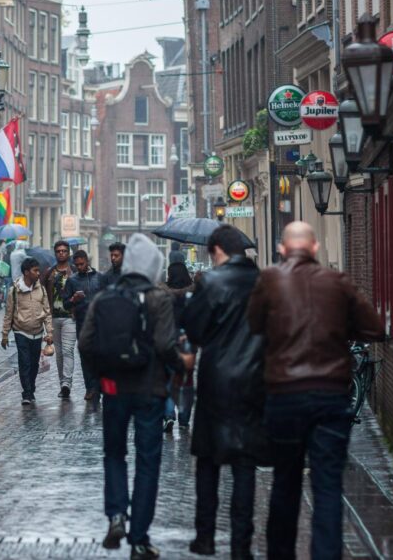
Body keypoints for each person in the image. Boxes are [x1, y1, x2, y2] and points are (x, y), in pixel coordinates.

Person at [247, 221, 384, 559]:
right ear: (315, 249)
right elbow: (374, 328)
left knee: (285, 482)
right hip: (329, 395)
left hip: (284, 396)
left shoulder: (269, 280)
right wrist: (339, 328)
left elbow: (253, 325)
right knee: (327, 486)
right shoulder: (337, 282)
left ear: (281, 249)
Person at [79, 234, 195, 560]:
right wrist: (181, 364)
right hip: (150, 389)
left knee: (114, 454)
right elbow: (164, 346)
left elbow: (85, 344)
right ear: (154, 267)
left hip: (115, 389)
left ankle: (116, 514)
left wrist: (102, 375)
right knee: (148, 462)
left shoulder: (103, 298)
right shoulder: (160, 298)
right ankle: (140, 539)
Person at [180, 225, 268, 558]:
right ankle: (241, 544)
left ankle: (205, 537)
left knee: (208, 460)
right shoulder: (264, 283)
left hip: (217, 381)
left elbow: (196, 329)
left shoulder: (212, 283)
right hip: (254, 378)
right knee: (245, 464)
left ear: (216, 250)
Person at [1, 257, 54, 405]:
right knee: (24, 362)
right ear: (26, 272)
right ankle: (27, 393)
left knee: (34, 364)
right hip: (21, 331)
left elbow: (47, 312)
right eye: (35, 270)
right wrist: (5, 334)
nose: (38, 273)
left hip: (37, 332)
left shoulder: (41, 289)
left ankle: (31, 386)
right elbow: (8, 314)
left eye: (38, 270)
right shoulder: (14, 291)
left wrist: (49, 333)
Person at [62, 249, 106, 401]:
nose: (80, 267)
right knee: (86, 356)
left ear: (87, 261)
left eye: (82, 264)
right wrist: (73, 299)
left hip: (100, 323)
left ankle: (100, 386)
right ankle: (90, 388)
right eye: (77, 265)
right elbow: (65, 304)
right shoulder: (72, 281)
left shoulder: (100, 277)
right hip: (82, 323)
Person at [162, 259, 195, 432]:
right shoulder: (193, 293)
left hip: (169, 340)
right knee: (186, 381)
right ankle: (184, 418)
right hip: (188, 341)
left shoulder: (163, 293)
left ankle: (168, 415)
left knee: (168, 380)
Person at [40, 240, 76, 399]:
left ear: (68, 253)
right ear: (55, 253)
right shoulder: (49, 273)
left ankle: (66, 383)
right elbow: (41, 292)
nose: (61, 253)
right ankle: (63, 383)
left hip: (70, 317)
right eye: (58, 251)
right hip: (53, 317)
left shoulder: (74, 271)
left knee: (68, 351)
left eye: (64, 251)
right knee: (60, 353)